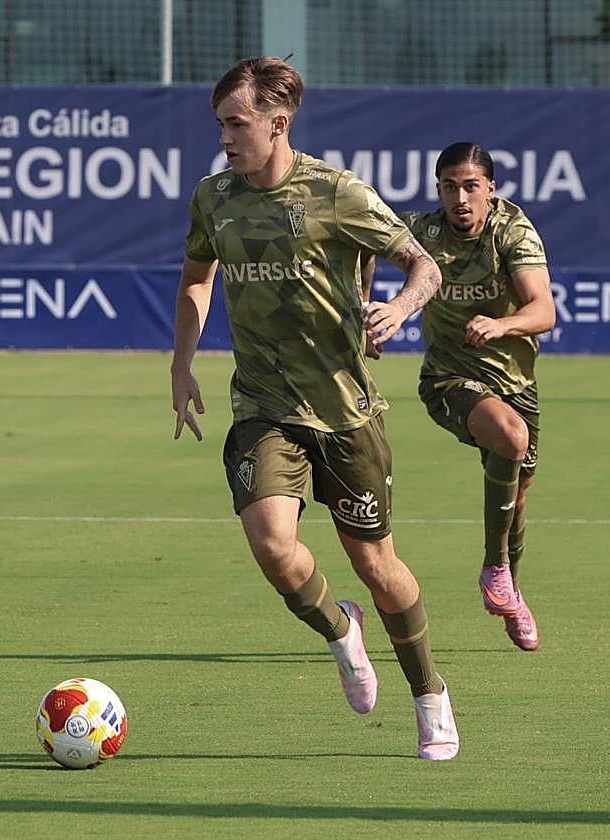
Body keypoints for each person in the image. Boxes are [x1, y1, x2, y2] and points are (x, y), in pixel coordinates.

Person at [171, 57, 459, 760]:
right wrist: (181, 362)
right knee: (272, 544)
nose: (226, 138)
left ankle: (430, 695)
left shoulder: (335, 191)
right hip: (263, 405)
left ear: (278, 123)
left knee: (377, 565)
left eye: (236, 124)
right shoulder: (214, 197)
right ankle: (339, 631)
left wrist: (398, 309)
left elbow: (425, 265)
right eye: (221, 126)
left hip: (345, 411)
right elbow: (197, 277)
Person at [399, 142, 555, 651]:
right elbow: (358, 244)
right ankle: (495, 569)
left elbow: (543, 311)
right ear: (438, 190)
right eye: (449, 187)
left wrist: (502, 324)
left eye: (471, 186)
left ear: (491, 188)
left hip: (515, 382)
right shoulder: (422, 234)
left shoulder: (511, 230)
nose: (460, 198)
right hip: (447, 379)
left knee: (518, 494)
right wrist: (369, 310)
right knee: (511, 436)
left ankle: (511, 588)